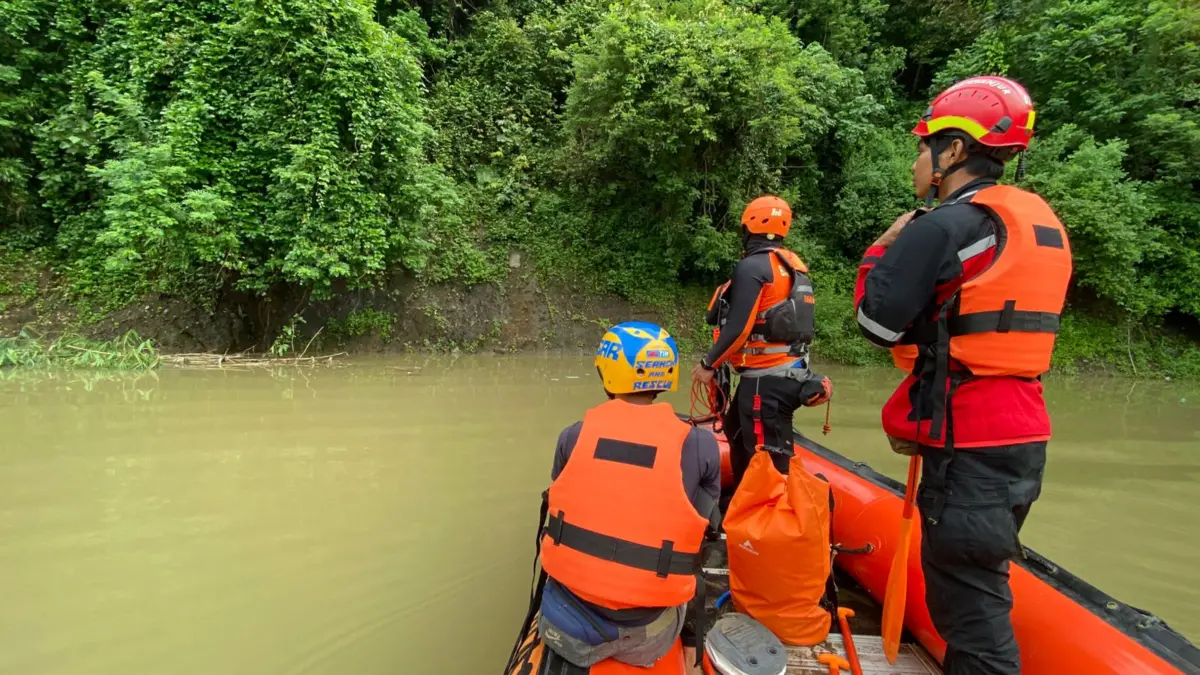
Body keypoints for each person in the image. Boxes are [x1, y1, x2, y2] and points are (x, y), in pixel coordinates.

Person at [854, 76, 1072, 675]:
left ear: (953, 152)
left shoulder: (945, 226)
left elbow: (876, 323)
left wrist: (882, 248)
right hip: (1024, 437)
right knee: (978, 582)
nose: (917, 159)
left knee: (969, 614)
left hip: (968, 442)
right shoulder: (1034, 225)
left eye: (924, 146)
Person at [538, 322, 722, 670]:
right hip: (647, 634)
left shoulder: (573, 436)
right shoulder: (699, 445)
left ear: (607, 373)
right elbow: (704, 530)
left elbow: (565, 500)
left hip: (569, 619)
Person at [691, 196, 833, 489]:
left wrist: (708, 364)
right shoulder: (792, 265)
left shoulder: (752, 267)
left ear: (747, 228)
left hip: (766, 382)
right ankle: (744, 505)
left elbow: (740, 328)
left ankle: (776, 523)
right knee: (735, 430)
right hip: (786, 374)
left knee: (770, 460)